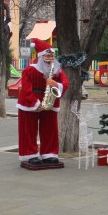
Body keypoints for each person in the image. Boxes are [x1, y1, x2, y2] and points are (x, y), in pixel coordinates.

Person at [17, 39, 69, 167]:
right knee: (28, 129)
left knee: (50, 129)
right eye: (47, 56)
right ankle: (30, 155)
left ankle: (49, 154)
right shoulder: (29, 70)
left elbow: (66, 83)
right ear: (40, 56)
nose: (50, 59)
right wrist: (35, 104)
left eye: (52, 56)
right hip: (31, 102)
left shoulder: (57, 70)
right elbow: (26, 89)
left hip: (50, 101)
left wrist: (56, 84)